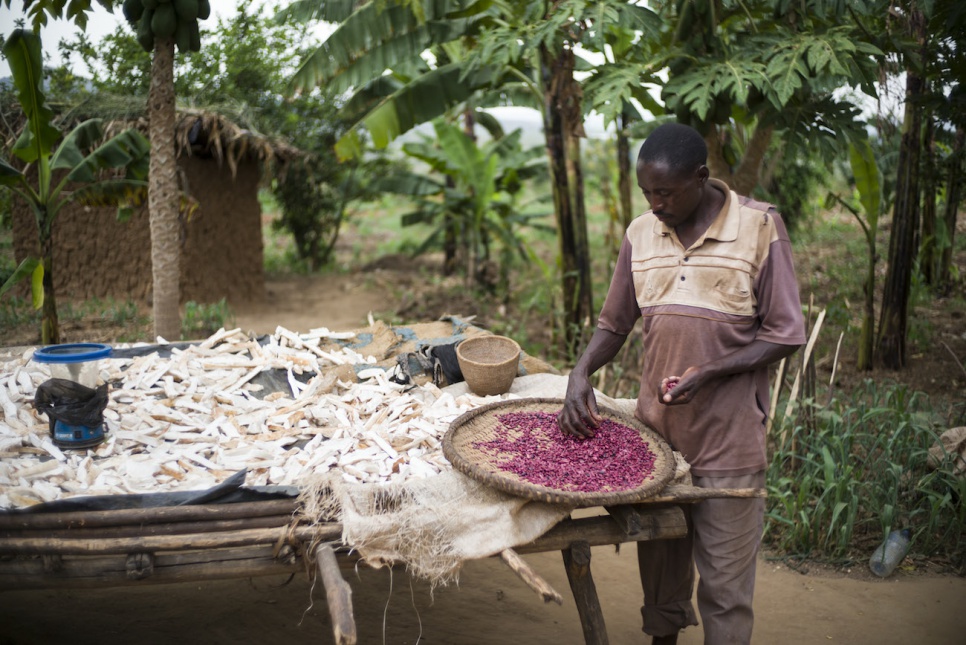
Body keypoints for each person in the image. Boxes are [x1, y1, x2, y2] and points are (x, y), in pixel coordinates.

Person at [558, 122, 805, 645]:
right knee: (662, 583)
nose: (654, 204)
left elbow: (786, 335)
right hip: (659, 444)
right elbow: (615, 323)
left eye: (665, 192)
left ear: (701, 177)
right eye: (646, 192)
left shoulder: (760, 228)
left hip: (729, 442)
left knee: (725, 589)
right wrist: (581, 373)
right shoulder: (640, 233)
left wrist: (712, 371)